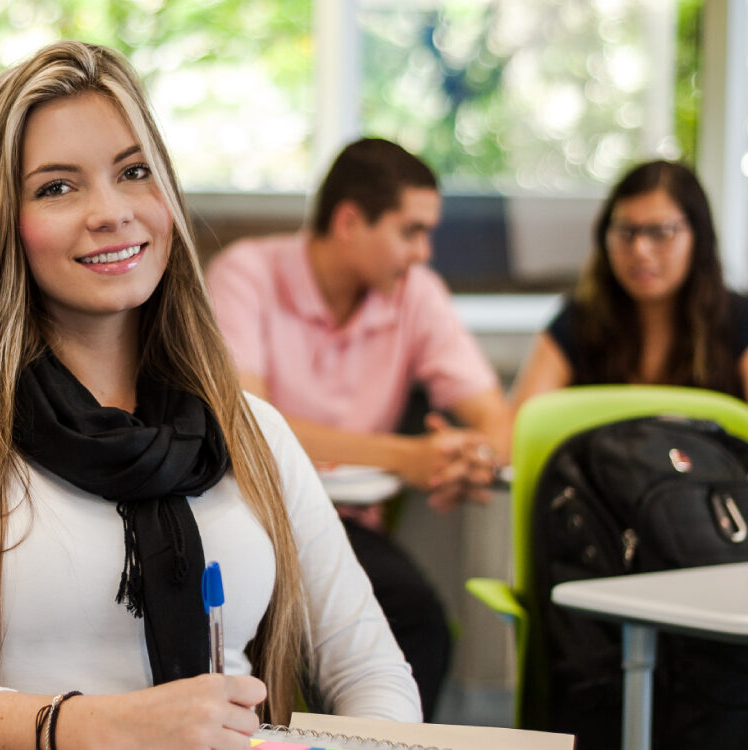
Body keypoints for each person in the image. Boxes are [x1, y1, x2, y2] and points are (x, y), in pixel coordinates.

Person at [0, 41, 422, 750]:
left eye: (133, 173)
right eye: (57, 187)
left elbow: (372, 671)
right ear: (1, 222)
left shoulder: (249, 432)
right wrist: (108, 726)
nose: (110, 212)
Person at [205, 137, 512, 717]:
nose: (423, 252)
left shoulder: (415, 294)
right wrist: (408, 457)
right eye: (410, 231)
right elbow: (251, 427)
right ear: (349, 221)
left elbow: (494, 416)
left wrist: (472, 458)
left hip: (347, 529)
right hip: (257, 518)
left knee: (419, 621)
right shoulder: (245, 274)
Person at [511, 159, 748, 407]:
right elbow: (522, 427)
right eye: (625, 231)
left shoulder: (738, 319)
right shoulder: (579, 320)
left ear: (699, 238)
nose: (640, 250)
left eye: (660, 232)